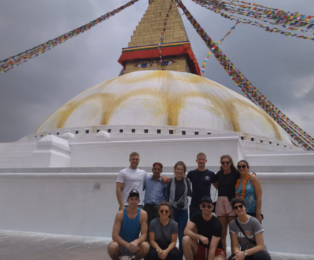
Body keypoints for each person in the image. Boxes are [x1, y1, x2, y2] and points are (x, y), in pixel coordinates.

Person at [108, 189, 150, 260]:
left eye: (136, 199)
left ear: (139, 201)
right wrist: (127, 245)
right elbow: (114, 235)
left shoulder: (143, 214)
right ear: (127, 201)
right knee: (112, 246)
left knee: (146, 246)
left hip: (135, 246)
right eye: (131, 199)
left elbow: (144, 235)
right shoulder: (120, 214)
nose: (134, 201)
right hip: (121, 245)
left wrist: (136, 242)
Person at [167, 161, 192, 260]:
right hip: (172, 209)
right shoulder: (170, 181)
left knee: (182, 235)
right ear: (175, 170)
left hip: (183, 210)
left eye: (181, 169)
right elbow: (166, 195)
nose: (179, 171)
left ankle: (180, 257)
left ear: (184, 171)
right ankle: (169, 255)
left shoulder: (187, 181)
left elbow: (190, 193)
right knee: (171, 233)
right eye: (178, 169)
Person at [187, 153, 216, 219]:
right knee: (193, 225)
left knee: (206, 226)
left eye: (203, 159)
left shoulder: (211, 174)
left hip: (206, 205)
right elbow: (184, 184)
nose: (201, 161)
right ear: (196, 161)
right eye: (199, 159)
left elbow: (218, 186)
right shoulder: (191, 173)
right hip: (194, 204)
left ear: (206, 161)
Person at [143, 162, 168, 236]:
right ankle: (147, 245)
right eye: (155, 169)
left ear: (161, 171)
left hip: (158, 207)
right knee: (146, 226)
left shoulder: (164, 182)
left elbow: (165, 197)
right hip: (147, 207)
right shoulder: (146, 180)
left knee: (157, 227)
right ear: (152, 169)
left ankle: (156, 246)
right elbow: (140, 189)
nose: (156, 170)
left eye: (158, 169)